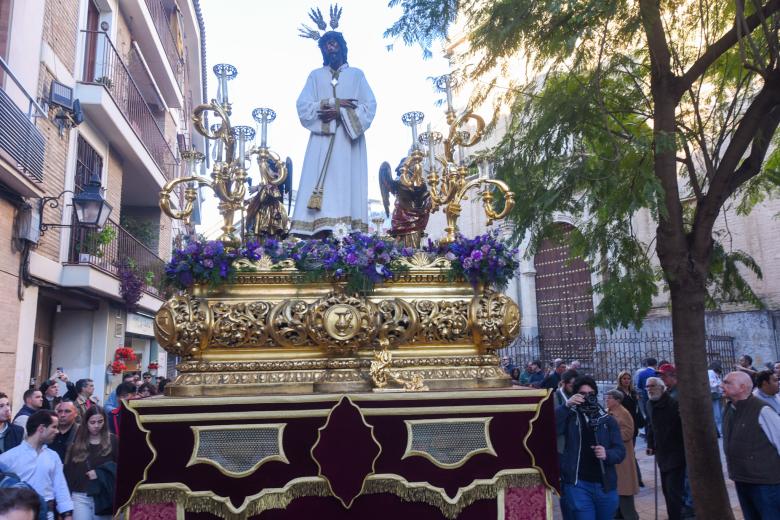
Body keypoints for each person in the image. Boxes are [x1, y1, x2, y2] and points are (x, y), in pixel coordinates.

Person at [290, 24, 377, 237]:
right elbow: (303, 106)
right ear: (323, 51)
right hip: (321, 142)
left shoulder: (357, 75)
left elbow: (369, 106)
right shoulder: (316, 76)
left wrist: (342, 114)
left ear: (342, 47)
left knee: (347, 180)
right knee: (321, 182)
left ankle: (348, 229)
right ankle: (317, 228)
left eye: (334, 43)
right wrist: (331, 103)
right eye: (327, 45)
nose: (331, 48)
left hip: (348, 144)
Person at [556, 375, 625, 519]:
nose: (587, 397)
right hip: (578, 484)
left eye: (591, 394)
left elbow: (620, 451)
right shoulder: (570, 416)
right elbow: (551, 429)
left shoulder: (607, 420)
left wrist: (607, 454)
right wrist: (566, 406)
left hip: (605, 485)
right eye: (582, 394)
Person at [721, 371, 780, 519]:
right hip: (742, 478)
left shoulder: (762, 410)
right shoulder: (729, 409)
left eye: (727, 383)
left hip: (765, 482)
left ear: (742, 387)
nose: (722, 385)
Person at [0, 411, 73, 520]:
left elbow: (60, 486)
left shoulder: (53, 456)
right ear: (41, 428)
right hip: (20, 514)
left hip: (48, 514)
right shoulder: (8, 457)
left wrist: (67, 514)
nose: (57, 431)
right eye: (54, 427)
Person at [64, 406, 118, 520]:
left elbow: (122, 469)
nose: (96, 426)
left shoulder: (113, 441)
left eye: (100, 421)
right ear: (86, 423)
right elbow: (68, 473)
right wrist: (66, 508)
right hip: (80, 496)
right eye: (92, 422)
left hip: (103, 496)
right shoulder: (76, 442)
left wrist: (100, 473)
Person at [645, 376, 687, 520]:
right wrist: (650, 444)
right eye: (647, 387)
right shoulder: (649, 404)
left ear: (662, 388)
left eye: (652, 386)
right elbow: (650, 425)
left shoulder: (674, 404)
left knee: (674, 491)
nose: (649, 389)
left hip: (676, 453)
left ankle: (677, 516)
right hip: (661, 454)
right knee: (666, 490)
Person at [604, 390, 639, 520]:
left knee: (625, 492)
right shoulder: (608, 411)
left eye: (609, 398)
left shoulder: (623, 413)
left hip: (623, 459)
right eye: (606, 397)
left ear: (617, 400)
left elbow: (629, 433)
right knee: (617, 492)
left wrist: (611, 436)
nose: (606, 399)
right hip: (615, 458)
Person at [635, 358, 657, 422]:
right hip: (655, 398)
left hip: (645, 397)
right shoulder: (656, 373)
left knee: (647, 417)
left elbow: (639, 386)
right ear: (655, 364)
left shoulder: (641, 373)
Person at [708, 362, 724, 435]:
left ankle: (719, 431)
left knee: (718, 414)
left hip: (715, 396)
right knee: (717, 415)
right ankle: (719, 431)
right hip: (713, 395)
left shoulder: (712, 373)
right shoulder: (711, 372)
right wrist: (720, 385)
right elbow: (713, 384)